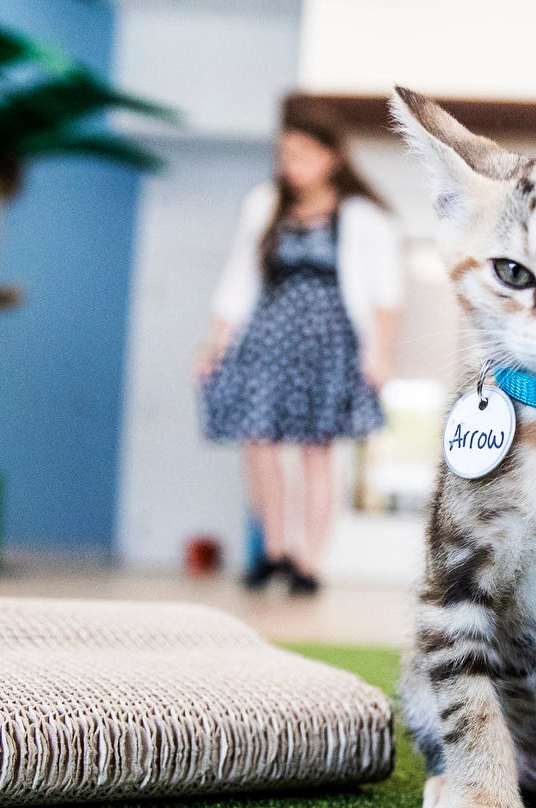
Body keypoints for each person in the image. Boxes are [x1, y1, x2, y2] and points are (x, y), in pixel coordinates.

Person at [198, 95, 404, 594]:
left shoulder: (362, 216)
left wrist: (379, 356)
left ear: (331, 156)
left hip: (329, 346)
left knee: (317, 451)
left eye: (302, 155)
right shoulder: (263, 205)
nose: (290, 166)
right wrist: (215, 344)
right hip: (268, 341)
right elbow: (238, 282)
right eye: (284, 156)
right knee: (260, 444)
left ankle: (309, 562)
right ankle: (273, 549)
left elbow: (386, 297)